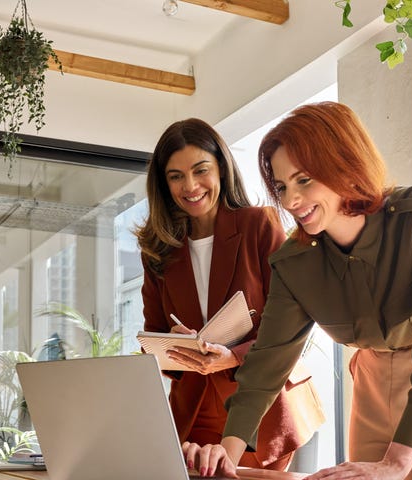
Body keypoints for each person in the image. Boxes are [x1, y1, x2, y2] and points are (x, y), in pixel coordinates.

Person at [182, 102, 412, 479]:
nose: (289, 201)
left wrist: (396, 464)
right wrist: (227, 454)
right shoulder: (294, 263)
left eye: (303, 180)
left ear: (344, 164)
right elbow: (268, 363)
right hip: (373, 376)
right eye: (282, 187)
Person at [136, 118, 325, 471]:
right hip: (194, 410)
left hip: (263, 404)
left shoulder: (259, 225)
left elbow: (292, 323)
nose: (190, 186)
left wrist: (233, 356)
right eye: (175, 176)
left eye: (200, 170)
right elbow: (153, 339)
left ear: (221, 168)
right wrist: (172, 344)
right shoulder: (157, 250)